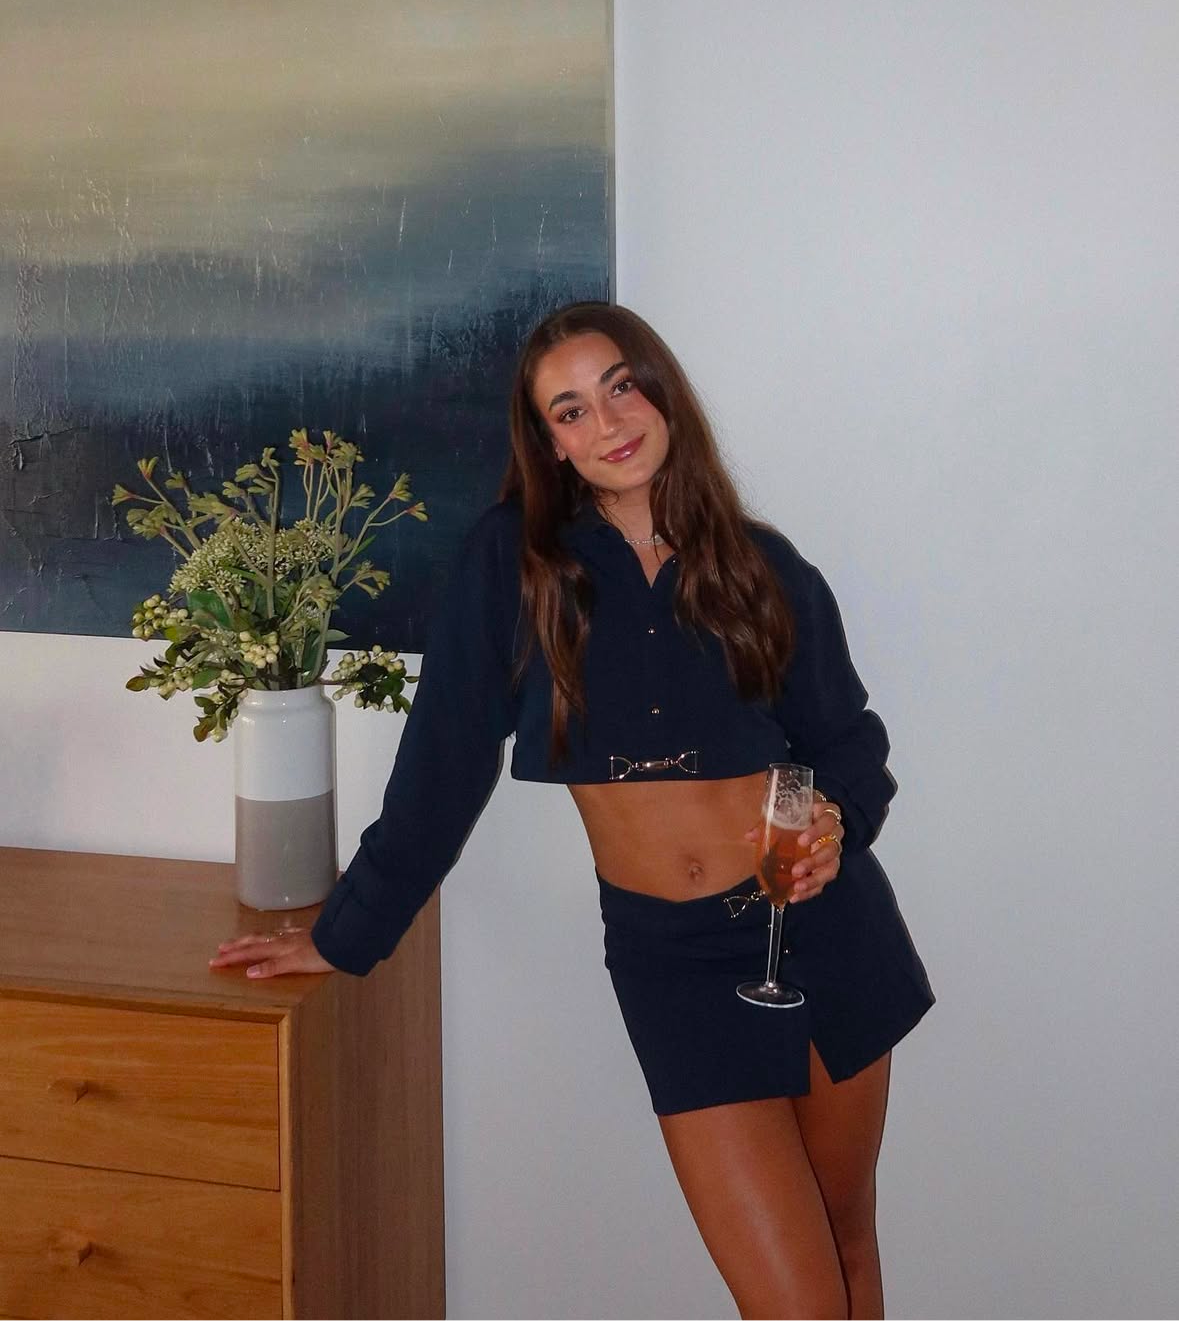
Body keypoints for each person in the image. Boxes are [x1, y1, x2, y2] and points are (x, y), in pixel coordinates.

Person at [211, 301, 933, 1321]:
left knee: (847, 1238)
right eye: (572, 409)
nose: (608, 422)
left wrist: (835, 821)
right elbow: (441, 767)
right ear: (549, 441)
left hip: (822, 930)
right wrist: (344, 933)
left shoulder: (761, 565)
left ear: (660, 393)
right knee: (799, 1304)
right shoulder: (515, 563)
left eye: (621, 387)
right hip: (674, 963)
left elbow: (848, 740)